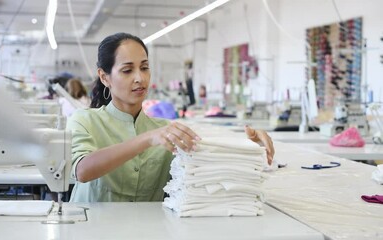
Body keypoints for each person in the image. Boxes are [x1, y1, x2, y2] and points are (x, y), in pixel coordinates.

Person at [67, 32, 274, 202]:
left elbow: (209, 157)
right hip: (92, 229)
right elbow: (82, 170)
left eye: (145, 68)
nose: (140, 78)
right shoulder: (84, 120)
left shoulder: (165, 130)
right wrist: (146, 139)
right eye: (128, 70)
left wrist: (250, 147)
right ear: (105, 77)